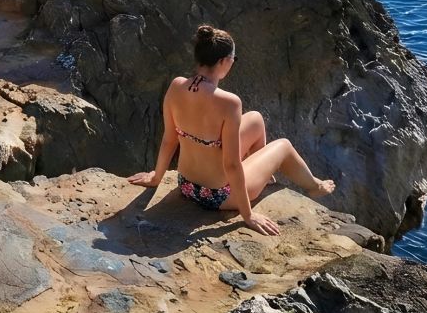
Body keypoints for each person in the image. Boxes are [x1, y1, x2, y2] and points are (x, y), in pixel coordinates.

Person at [128, 25, 335, 236]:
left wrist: (156, 178)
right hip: (219, 196)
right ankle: (314, 187)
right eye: (233, 58)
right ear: (223, 61)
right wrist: (248, 215)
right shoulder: (229, 102)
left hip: (187, 185)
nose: (233, 63)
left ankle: (262, 175)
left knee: (255, 119)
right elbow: (232, 164)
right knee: (283, 145)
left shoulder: (176, 86)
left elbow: (169, 140)